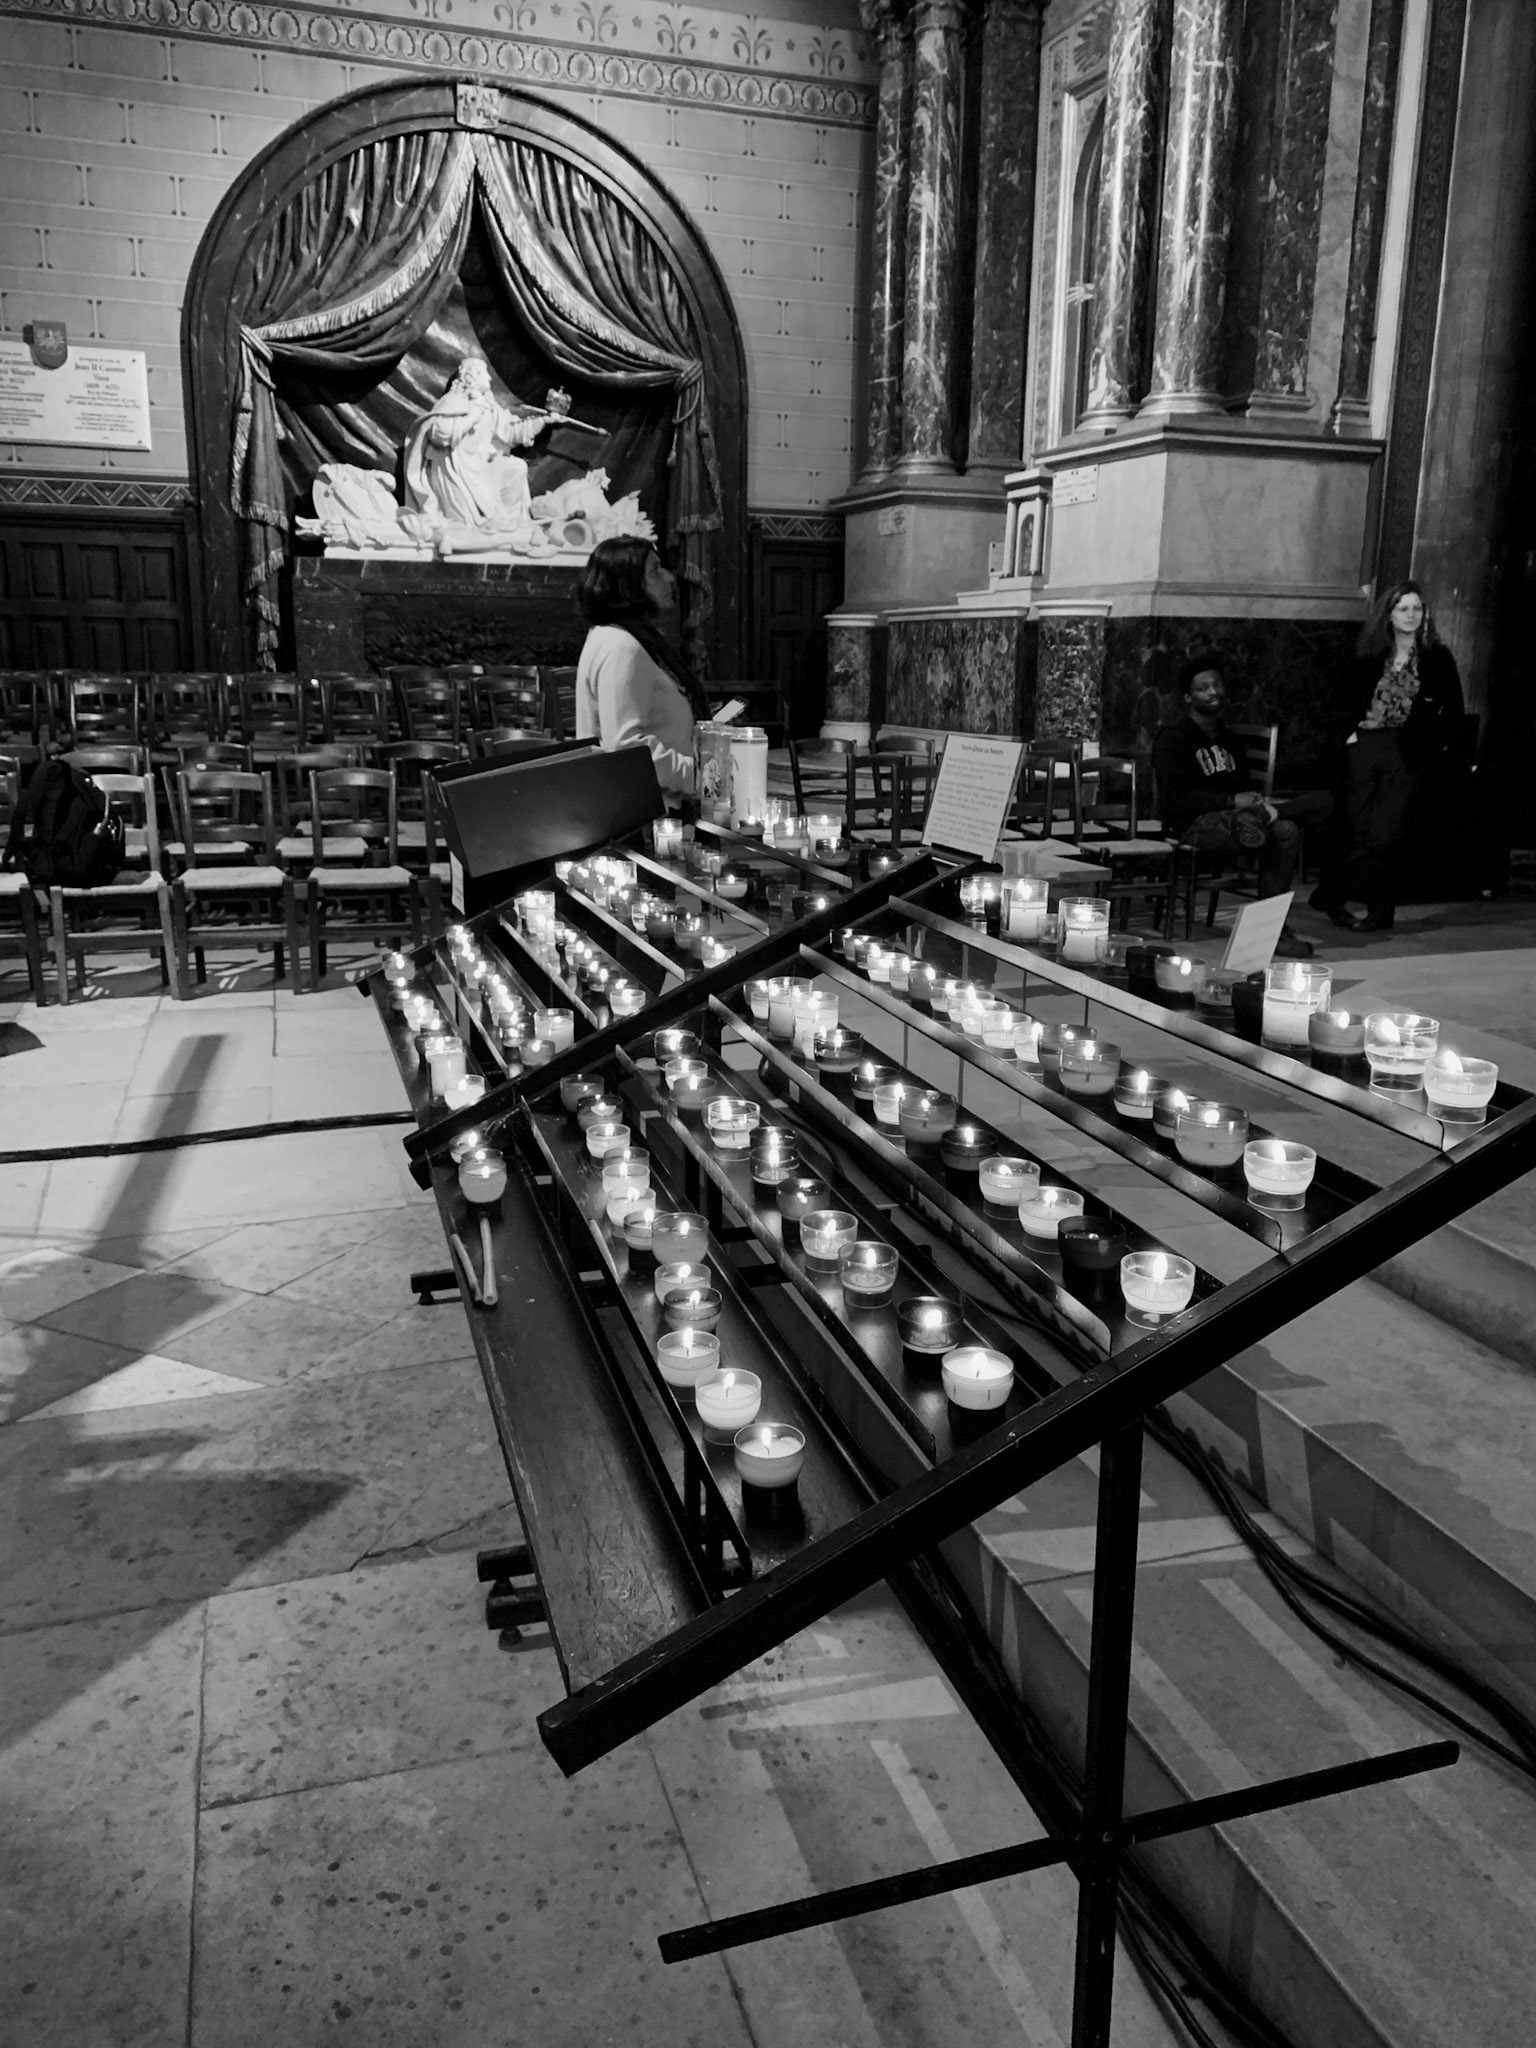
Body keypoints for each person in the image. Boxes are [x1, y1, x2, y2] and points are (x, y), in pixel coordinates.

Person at [1309, 581, 1464, 932]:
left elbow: (1453, 709)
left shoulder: (1436, 657)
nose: (1411, 615)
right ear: (1389, 615)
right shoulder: (1371, 652)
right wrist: (1349, 737)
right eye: (1403, 609)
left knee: (1384, 835)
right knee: (1364, 831)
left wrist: (1431, 743)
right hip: (1364, 743)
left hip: (1405, 748)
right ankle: (1380, 912)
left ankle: (1330, 893)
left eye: (1417, 608)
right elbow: (1343, 698)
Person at [1153, 656, 1333, 957]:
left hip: (1242, 816)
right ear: (1187, 697)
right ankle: (1259, 820)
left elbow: (1244, 787)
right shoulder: (1173, 739)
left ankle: (1271, 929)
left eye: (1217, 685)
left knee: (1296, 822)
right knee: (1272, 826)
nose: (1213, 692)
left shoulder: (1232, 740)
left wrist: (1250, 801)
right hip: (1193, 825)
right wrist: (1229, 802)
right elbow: (1173, 799)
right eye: (1203, 688)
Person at [574, 536, 711, 796]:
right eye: (655, 570)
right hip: (645, 807)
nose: (669, 577)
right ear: (626, 584)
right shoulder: (621, 645)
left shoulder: (618, 636)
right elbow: (626, 747)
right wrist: (699, 775)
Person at [403, 356, 553, 536]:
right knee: (469, 527)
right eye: (484, 373)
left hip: (481, 468)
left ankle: (513, 526)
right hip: (455, 471)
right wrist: (472, 416)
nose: (489, 378)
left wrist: (543, 421)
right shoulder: (453, 400)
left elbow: (510, 431)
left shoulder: (488, 405)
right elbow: (440, 433)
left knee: (516, 467)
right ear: (470, 376)